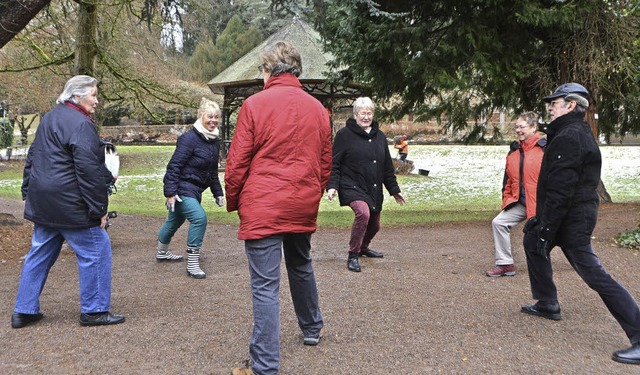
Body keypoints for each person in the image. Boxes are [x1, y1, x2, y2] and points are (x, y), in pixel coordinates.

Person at [225, 41, 332, 375]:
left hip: (264, 204)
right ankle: (312, 327)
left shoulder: (255, 105)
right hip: (301, 201)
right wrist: (313, 192)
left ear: (269, 69)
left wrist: (234, 199)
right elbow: (325, 163)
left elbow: (237, 162)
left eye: (261, 70)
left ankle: (264, 365)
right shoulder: (318, 109)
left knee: (265, 286)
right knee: (301, 264)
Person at [520, 82, 640, 364]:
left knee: (594, 275)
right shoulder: (568, 132)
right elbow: (557, 188)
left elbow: (562, 191)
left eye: (555, 102)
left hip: (573, 219)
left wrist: (546, 228)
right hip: (567, 213)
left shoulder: (570, 136)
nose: (550, 107)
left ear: (571, 106)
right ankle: (548, 302)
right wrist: (540, 225)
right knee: (532, 240)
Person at [12, 75, 125, 328]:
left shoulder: (49, 118)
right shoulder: (81, 124)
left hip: (44, 201)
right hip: (71, 203)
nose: (97, 101)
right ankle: (94, 311)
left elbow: (33, 158)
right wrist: (100, 210)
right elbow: (89, 170)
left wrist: (27, 191)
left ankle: (23, 310)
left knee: (39, 253)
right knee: (97, 250)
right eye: (93, 95)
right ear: (77, 95)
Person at [326, 97, 405, 273]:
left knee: (375, 224)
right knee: (363, 213)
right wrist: (332, 186)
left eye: (369, 113)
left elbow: (386, 168)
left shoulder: (380, 137)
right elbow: (335, 163)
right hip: (351, 185)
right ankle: (353, 254)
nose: (366, 117)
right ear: (355, 115)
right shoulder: (344, 135)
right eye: (363, 113)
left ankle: (363, 247)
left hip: (373, 187)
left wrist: (394, 191)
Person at [155, 97, 224, 279]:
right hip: (181, 189)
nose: (213, 120)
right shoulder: (188, 139)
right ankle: (193, 263)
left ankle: (161, 252)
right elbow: (174, 166)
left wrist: (218, 193)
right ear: (201, 116)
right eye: (210, 116)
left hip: (195, 190)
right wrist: (170, 193)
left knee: (175, 221)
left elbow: (212, 171)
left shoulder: (214, 141)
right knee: (199, 218)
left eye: (216, 117)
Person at [485, 112, 545, 277]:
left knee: (562, 234)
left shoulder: (545, 148)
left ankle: (581, 259)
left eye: (522, 126)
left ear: (533, 127)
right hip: (521, 202)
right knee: (499, 223)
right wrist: (507, 200)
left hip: (543, 204)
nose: (518, 130)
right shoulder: (514, 151)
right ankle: (505, 264)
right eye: (516, 126)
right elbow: (507, 181)